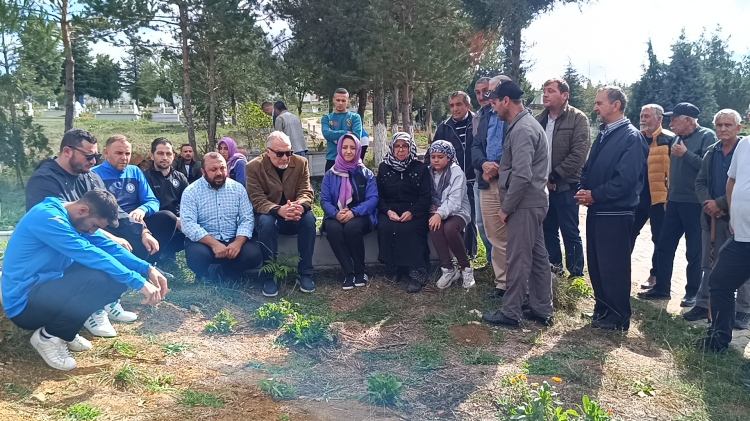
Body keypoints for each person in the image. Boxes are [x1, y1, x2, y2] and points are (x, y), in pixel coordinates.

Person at [1, 190, 168, 370]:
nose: (92, 231)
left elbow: (108, 247)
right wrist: (139, 282)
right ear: (83, 210)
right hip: (24, 304)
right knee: (98, 278)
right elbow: (89, 254)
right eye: (94, 225)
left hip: (46, 288)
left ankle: (64, 331)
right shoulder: (48, 217)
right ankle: (48, 337)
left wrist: (147, 269)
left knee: (114, 275)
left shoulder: (74, 216)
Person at [25, 128, 152, 328]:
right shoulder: (44, 180)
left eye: (96, 156)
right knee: (100, 255)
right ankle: (92, 309)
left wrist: (143, 231)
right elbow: (63, 228)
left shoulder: (89, 176)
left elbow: (115, 210)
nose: (94, 161)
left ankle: (107, 299)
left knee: (133, 245)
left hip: (87, 234)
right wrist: (107, 236)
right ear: (67, 151)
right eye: (89, 156)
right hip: (56, 246)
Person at [576, 86, 648, 331]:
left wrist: (595, 194)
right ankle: (602, 310)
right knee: (597, 264)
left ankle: (618, 317)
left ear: (616, 104)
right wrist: (583, 188)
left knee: (614, 266)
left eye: (599, 103)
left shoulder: (631, 137)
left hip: (617, 212)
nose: (595, 107)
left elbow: (626, 180)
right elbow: (588, 166)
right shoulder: (604, 133)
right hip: (598, 210)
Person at [481, 80, 552, 329]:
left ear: (506, 101)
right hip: (532, 203)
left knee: (518, 258)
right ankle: (542, 308)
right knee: (538, 256)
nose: (493, 108)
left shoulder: (522, 129)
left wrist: (506, 207)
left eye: (494, 103)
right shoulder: (523, 124)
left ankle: (511, 312)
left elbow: (522, 175)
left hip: (524, 205)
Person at [639, 103, 716, 306]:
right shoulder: (676, 138)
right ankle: (662, 288)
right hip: (673, 202)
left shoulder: (707, 136)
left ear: (689, 120)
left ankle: (692, 293)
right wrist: (668, 196)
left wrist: (686, 154)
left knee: (694, 251)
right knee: (664, 246)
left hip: (694, 203)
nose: (670, 123)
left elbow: (709, 168)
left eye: (675, 119)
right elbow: (670, 171)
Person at [686, 109, 750, 329]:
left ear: (738, 127)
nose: (723, 129)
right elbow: (700, 182)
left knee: (742, 267)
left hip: (736, 219)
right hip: (711, 217)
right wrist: (708, 203)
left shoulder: (742, 149)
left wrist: (720, 204)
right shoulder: (712, 151)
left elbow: (739, 184)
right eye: (719, 125)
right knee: (709, 263)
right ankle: (704, 304)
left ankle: (742, 310)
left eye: (728, 125)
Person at [246, 131, 316, 297]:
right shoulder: (253, 167)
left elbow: (305, 191)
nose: (285, 158)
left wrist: (300, 206)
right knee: (266, 221)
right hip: (270, 214)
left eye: (289, 152)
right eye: (280, 154)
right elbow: (257, 199)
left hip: (294, 214)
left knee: (309, 219)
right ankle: (269, 276)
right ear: (267, 151)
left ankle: (306, 273)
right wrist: (279, 210)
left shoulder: (301, 163)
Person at [699, 135, 750, 351]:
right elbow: (732, 180)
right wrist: (734, 216)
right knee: (719, 281)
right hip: (741, 235)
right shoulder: (745, 144)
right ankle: (718, 341)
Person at [93, 135, 177, 263]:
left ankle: (151, 262)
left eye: (127, 153)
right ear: (106, 152)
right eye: (119, 153)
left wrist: (141, 210)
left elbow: (152, 201)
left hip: (136, 221)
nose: (124, 158)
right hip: (111, 223)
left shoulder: (134, 171)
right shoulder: (93, 175)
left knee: (168, 217)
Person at [536, 78, 590, 279]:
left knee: (570, 231)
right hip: (542, 187)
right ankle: (554, 270)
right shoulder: (539, 119)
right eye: (544, 90)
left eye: (550, 90)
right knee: (547, 230)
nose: (545, 94)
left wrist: (555, 175)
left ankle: (576, 275)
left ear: (564, 95)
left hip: (566, 185)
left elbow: (579, 154)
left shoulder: (577, 118)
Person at [180, 152, 263, 280]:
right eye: (213, 169)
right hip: (205, 241)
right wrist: (214, 244)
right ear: (203, 171)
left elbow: (247, 218)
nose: (219, 173)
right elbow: (188, 224)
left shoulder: (237, 189)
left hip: (231, 239)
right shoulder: (191, 192)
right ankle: (203, 275)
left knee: (253, 255)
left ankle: (225, 272)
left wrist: (237, 243)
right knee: (197, 256)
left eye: (222, 168)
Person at [320, 134, 378, 290]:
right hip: (335, 214)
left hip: (361, 215)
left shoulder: (366, 174)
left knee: (352, 227)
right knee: (333, 228)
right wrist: (336, 213)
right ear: (339, 149)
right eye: (344, 147)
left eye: (352, 148)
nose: (348, 151)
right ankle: (349, 273)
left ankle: (360, 271)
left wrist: (353, 212)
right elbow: (324, 200)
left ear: (358, 150)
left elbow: (373, 199)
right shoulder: (330, 174)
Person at [376, 132, 432, 293]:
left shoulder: (420, 169)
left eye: (404, 146)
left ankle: (416, 273)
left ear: (411, 148)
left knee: (410, 229)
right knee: (386, 227)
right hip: (390, 209)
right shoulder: (384, 167)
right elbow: (378, 196)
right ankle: (395, 269)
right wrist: (387, 211)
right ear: (392, 148)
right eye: (397, 146)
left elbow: (425, 197)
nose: (400, 150)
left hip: (414, 209)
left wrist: (412, 212)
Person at [471, 75, 510, 297]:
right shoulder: (484, 115)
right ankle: (501, 282)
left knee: (509, 232)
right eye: (481, 93)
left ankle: (514, 281)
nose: (485, 97)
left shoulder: (516, 117)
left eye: (489, 91)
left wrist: (498, 167)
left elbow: (516, 148)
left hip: (508, 181)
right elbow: (476, 145)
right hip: (485, 180)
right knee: (490, 232)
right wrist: (484, 164)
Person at [631, 104, 673, 290]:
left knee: (659, 239)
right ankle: (620, 269)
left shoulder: (669, 139)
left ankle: (654, 275)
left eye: (647, 116)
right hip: (637, 197)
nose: (643, 119)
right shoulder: (635, 139)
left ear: (659, 119)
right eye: (641, 115)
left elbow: (674, 171)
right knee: (628, 233)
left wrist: (669, 196)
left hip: (660, 198)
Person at [433, 91, 478, 258]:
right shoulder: (444, 127)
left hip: (474, 178)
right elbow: (434, 152)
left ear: (467, 105)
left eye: (459, 104)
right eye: (452, 105)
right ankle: (456, 254)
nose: (455, 109)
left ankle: (470, 254)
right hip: (452, 182)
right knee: (454, 217)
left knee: (472, 218)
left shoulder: (477, 123)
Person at [427, 140, 475, 290]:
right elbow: (424, 192)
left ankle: (466, 268)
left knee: (450, 228)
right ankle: (448, 269)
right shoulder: (428, 171)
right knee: (434, 226)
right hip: (437, 211)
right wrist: (429, 205)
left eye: (440, 156)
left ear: (448, 158)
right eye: (433, 156)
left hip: (459, 210)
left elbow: (455, 201)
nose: (436, 160)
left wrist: (439, 213)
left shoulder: (456, 173)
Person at [144, 138, 189, 260]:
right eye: (160, 153)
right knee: (168, 217)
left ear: (173, 156)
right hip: (155, 223)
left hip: (178, 223)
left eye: (168, 154)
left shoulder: (180, 178)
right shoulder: (144, 178)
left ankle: (169, 251)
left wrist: (183, 219)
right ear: (152, 156)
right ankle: (156, 255)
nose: (165, 157)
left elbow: (189, 204)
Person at [470, 77, 493, 259]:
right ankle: (491, 261)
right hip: (480, 176)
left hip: (497, 176)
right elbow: (476, 145)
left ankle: (502, 267)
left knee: (497, 225)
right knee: (481, 223)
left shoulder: (502, 115)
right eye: (477, 92)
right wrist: (482, 164)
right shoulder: (477, 116)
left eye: (485, 91)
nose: (481, 96)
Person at [322, 88, 362, 172]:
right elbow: (326, 134)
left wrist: (334, 137)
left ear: (347, 101)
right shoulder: (326, 117)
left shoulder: (355, 117)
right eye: (338, 100)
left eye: (343, 100)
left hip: (350, 161)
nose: (340, 103)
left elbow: (356, 137)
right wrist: (346, 132)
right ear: (333, 100)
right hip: (332, 159)